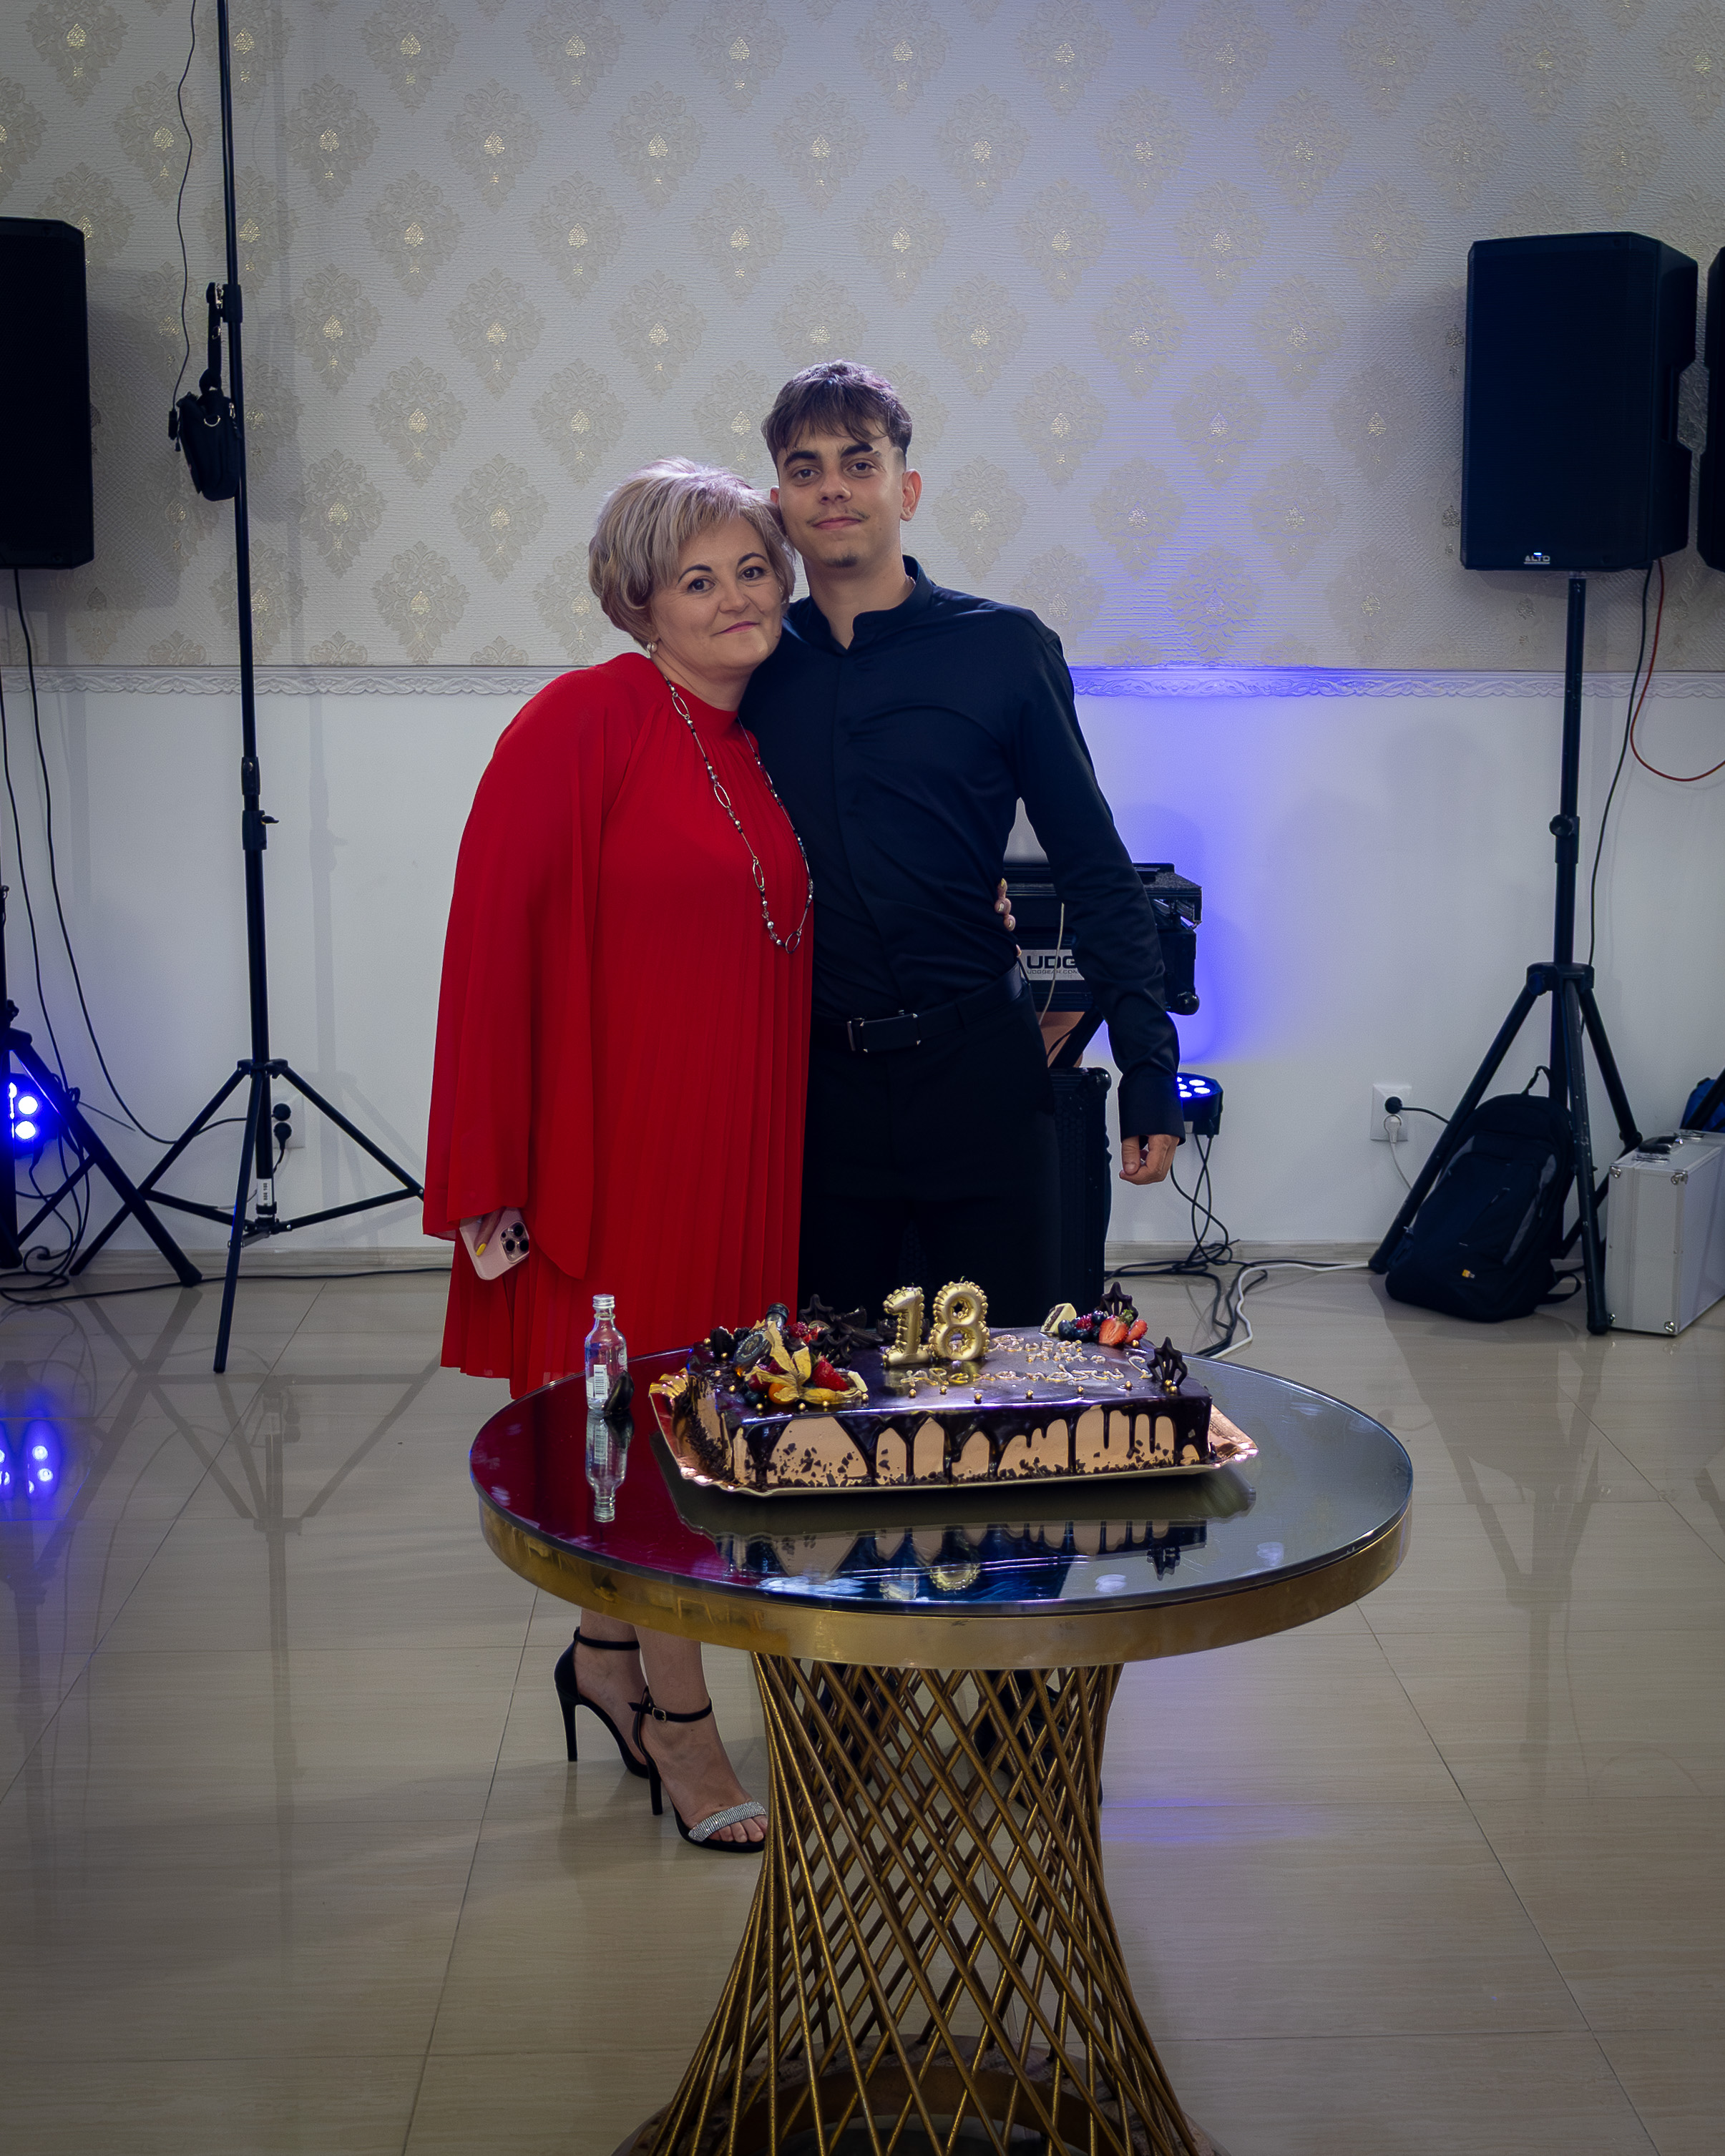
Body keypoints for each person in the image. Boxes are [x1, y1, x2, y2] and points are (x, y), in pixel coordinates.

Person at [424, 461, 813, 1850]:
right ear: (640, 603)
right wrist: (494, 1166)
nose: (735, 598)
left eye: (752, 570)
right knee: (655, 1431)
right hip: (628, 1148)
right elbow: (492, 941)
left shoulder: (759, 742)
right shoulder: (585, 719)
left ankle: (605, 1657)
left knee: (695, 1412)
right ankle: (683, 1727)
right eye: (698, 580)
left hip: (741, 1138)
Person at [740, 361, 1184, 1326]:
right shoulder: (755, 668)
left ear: (906, 489)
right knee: (831, 1382)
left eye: (859, 463)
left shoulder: (1004, 649)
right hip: (817, 1093)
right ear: (779, 505)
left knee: (1007, 1368)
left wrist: (1150, 1070)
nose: (832, 488)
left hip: (980, 1076)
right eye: (805, 469)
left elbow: (1094, 866)